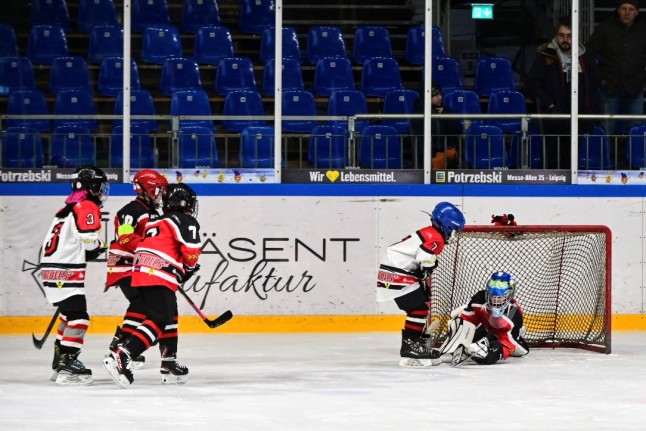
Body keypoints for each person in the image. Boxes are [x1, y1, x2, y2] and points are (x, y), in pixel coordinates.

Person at [104, 183, 202, 388]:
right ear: (185, 203)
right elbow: (191, 251)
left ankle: (169, 362)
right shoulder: (186, 220)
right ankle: (124, 353)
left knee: (170, 313)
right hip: (158, 273)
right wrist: (189, 267)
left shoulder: (155, 220)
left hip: (140, 272)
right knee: (159, 318)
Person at [39, 166, 109, 385]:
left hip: (52, 269)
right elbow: (88, 238)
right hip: (65, 271)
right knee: (79, 317)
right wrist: (98, 246)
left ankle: (60, 360)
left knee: (68, 316)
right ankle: (68, 363)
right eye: (100, 187)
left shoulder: (66, 208)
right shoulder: (86, 205)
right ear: (93, 187)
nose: (101, 192)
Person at [376, 201, 466, 367]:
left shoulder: (430, 232)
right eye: (454, 229)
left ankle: (414, 344)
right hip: (398, 271)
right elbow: (424, 258)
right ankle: (410, 348)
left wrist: (422, 277)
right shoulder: (436, 238)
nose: (454, 234)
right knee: (419, 309)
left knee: (419, 307)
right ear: (446, 226)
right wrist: (429, 267)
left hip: (394, 270)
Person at [105, 169, 169, 370]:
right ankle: (122, 343)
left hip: (137, 265)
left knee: (141, 305)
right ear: (147, 189)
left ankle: (123, 341)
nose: (161, 194)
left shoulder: (152, 212)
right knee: (141, 303)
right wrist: (150, 250)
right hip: (124, 265)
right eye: (158, 190)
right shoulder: (131, 210)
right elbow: (125, 237)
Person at [525, 16, 599, 169]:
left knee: (572, 164)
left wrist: (589, 110)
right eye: (561, 35)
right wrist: (550, 105)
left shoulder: (585, 58)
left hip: (578, 119)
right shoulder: (546, 57)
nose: (565, 39)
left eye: (569, 36)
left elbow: (593, 85)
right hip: (553, 119)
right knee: (551, 163)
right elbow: (532, 85)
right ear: (556, 35)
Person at [432, 271, 529, 366]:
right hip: (487, 328)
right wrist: (458, 332)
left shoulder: (514, 315)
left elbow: (507, 342)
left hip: (509, 338)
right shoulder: (479, 299)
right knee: (458, 322)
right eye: (492, 297)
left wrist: (484, 349)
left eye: (500, 298)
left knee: (489, 357)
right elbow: (467, 321)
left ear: (509, 295)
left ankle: (520, 334)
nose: (495, 301)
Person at [586, 1, 646, 136]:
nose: (627, 12)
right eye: (624, 8)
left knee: (636, 129)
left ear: (636, 12)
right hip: (609, 87)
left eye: (631, 9)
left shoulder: (643, 30)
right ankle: (604, 157)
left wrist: (643, 79)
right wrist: (600, 78)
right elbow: (589, 55)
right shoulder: (604, 29)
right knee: (606, 129)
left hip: (635, 87)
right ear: (618, 10)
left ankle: (632, 157)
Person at [410, 81, 462, 169]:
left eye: (440, 94)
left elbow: (457, 129)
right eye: (436, 95)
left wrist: (445, 116)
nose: (440, 97)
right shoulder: (418, 115)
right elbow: (418, 143)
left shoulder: (446, 111)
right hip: (426, 161)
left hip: (447, 160)